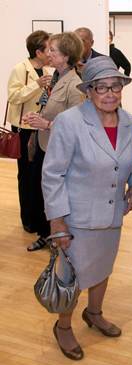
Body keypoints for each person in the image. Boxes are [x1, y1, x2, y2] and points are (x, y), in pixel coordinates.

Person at [41, 56, 132, 360]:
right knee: (71, 275)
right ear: (89, 91)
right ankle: (63, 326)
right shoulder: (69, 122)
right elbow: (53, 174)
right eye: (102, 88)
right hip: (77, 217)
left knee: (103, 267)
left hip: (112, 213)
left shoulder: (129, 122)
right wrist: (57, 222)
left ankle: (94, 313)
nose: (110, 93)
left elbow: (130, 158)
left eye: (115, 87)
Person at [23, 32, 84, 251]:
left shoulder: (75, 85)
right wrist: (37, 118)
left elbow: (77, 125)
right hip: (44, 145)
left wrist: (47, 125)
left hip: (59, 150)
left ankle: (56, 236)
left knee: (54, 195)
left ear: (66, 56)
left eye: (53, 50)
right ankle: (45, 234)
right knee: (40, 191)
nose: (48, 53)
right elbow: (49, 108)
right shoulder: (55, 77)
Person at [7, 30, 52, 233]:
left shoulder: (49, 69)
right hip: (24, 129)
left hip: (42, 128)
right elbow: (14, 97)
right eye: (48, 48)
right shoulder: (20, 69)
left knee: (39, 176)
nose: (51, 51)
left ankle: (39, 217)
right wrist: (36, 85)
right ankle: (28, 220)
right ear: (38, 51)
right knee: (25, 176)